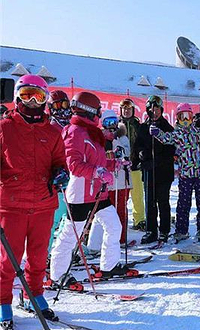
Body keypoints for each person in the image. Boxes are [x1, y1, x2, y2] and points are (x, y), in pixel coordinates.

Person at [0, 75, 67, 327]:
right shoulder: (4, 128)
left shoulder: (52, 132)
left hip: (43, 203)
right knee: (9, 260)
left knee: (39, 256)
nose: (32, 102)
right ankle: (3, 301)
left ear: (45, 100)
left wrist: (61, 173)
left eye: (38, 96)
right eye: (27, 94)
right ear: (17, 96)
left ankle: (33, 294)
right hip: (11, 204)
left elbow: (60, 161)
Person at [50, 91, 134, 290]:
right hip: (80, 193)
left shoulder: (91, 132)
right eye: (97, 110)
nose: (99, 114)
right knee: (71, 235)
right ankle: (58, 274)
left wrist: (115, 164)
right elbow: (74, 165)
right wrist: (97, 171)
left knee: (114, 226)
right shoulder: (74, 132)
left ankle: (108, 265)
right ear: (88, 110)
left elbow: (100, 161)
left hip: (98, 192)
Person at [150, 102, 200, 242]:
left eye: (187, 116)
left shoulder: (197, 132)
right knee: (184, 203)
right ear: (177, 118)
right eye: (182, 117)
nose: (185, 120)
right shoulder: (176, 133)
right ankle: (182, 230)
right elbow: (166, 139)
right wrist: (157, 133)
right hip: (186, 174)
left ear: (191, 118)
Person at [87, 110, 131, 248]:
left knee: (120, 210)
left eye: (114, 123)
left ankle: (121, 239)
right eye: (108, 123)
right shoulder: (98, 140)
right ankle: (94, 243)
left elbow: (127, 155)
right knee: (102, 213)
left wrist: (123, 158)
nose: (111, 127)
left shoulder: (122, 139)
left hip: (121, 181)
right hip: (105, 183)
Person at [135, 95, 176, 244]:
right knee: (149, 202)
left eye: (157, 109)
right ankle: (151, 230)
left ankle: (164, 230)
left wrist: (157, 161)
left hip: (163, 171)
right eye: (152, 109)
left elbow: (171, 149)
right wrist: (141, 154)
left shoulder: (167, 127)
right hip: (148, 171)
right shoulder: (143, 127)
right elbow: (138, 144)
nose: (155, 112)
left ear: (161, 110)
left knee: (163, 201)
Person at [47, 90, 72, 253]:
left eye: (65, 104)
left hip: (71, 176)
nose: (62, 109)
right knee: (54, 218)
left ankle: (64, 248)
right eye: (58, 105)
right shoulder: (51, 127)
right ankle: (45, 252)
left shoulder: (70, 125)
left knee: (69, 216)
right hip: (57, 179)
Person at [119, 98, 145, 231]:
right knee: (122, 195)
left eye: (129, 109)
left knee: (137, 195)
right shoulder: (117, 125)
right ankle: (120, 221)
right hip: (120, 167)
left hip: (135, 165)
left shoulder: (138, 125)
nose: (126, 111)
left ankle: (139, 219)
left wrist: (141, 154)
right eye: (124, 109)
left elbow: (142, 142)